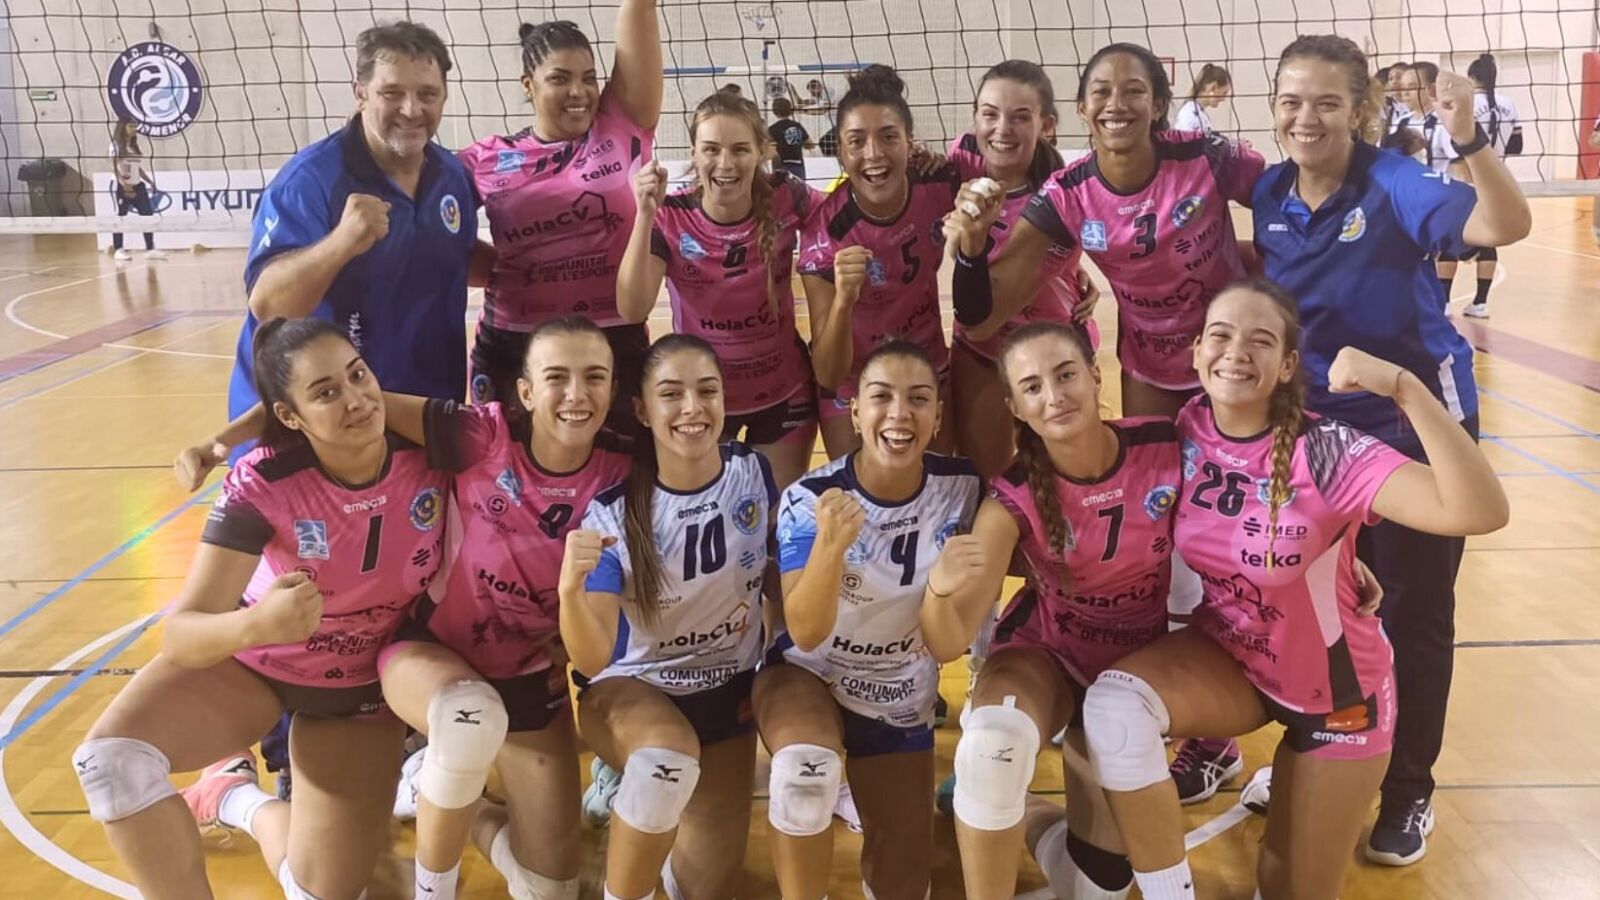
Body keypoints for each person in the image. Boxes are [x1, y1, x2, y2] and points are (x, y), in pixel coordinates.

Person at [1080, 278, 1509, 900]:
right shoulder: (1187, 428)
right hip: (1235, 662)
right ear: (1197, 352)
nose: (1236, 352)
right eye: (1221, 336)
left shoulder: (1328, 449)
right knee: (1116, 710)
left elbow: (1480, 510)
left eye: (1260, 341)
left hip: (1339, 698)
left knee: (1286, 885)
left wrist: (1404, 387)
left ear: (1286, 366)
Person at [951, 42, 1263, 798]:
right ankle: (1164, 710)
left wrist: (1278, 274)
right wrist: (970, 248)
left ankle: (1245, 723)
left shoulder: (1207, 157)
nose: (1117, 104)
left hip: (1231, 370)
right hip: (1152, 370)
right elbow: (982, 312)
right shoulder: (1069, 192)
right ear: (1083, 108)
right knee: (1169, 543)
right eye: (1100, 91)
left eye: (1133, 91)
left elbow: (1296, 199)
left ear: (1158, 103)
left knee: (1232, 536)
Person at [1251, 34, 1529, 867]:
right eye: (1291, 101)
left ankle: (1408, 789)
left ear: (1360, 109)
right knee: (1316, 606)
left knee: (1414, 616)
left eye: (1327, 102)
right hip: (1315, 437)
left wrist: (1468, 136)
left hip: (1412, 431)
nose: (1306, 118)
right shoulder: (1268, 190)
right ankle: (1325, 749)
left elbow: (1503, 224)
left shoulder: (1395, 182)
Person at [73, 318, 455, 899]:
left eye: (358, 375)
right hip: (259, 669)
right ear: (289, 417)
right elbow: (181, 633)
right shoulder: (264, 483)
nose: (355, 399)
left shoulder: (435, 454)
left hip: (360, 688)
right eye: (325, 393)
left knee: (320, 894)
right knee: (111, 764)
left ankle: (235, 799)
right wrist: (255, 624)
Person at [761, 340, 985, 900]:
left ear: (938, 416)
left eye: (919, 399)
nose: (899, 414)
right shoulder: (811, 497)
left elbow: (951, 639)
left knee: (904, 881)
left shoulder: (964, 489)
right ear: (856, 413)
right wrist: (830, 548)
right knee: (805, 772)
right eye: (881, 397)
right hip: (807, 674)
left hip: (899, 690)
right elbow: (805, 629)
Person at [559, 334, 773, 900]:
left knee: (708, 890)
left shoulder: (753, 473)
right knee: (663, 764)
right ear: (642, 410)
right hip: (633, 689)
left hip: (726, 691)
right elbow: (591, 656)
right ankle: (627, 779)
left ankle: (639, 787)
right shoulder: (613, 512)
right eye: (672, 394)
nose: (692, 408)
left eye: (707, 391)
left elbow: (775, 577)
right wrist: (570, 591)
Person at [228, 22, 480, 457]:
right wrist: (342, 242)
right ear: (360, 92)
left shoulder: (451, 174)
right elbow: (268, 304)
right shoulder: (310, 181)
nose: (411, 109)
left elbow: (454, 254)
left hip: (418, 413)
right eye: (391, 93)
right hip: (314, 425)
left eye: (427, 94)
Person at [456, 5, 662, 436]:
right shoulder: (486, 159)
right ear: (528, 85)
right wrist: (499, 266)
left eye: (588, 78)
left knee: (623, 470)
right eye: (560, 78)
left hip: (612, 336)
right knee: (503, 466)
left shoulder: (621, 123)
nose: (578, 91)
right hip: (515, 340)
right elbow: (434, 235)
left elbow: (638, 9)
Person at [618, 92, 819, 491]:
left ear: (762, 151)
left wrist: (915, 167)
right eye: (711, 149)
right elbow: (632, 308)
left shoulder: (787, 196)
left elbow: (855, 205)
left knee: (776, 518)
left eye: (740, 149)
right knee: (710, 515)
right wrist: (644, 215)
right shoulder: (671, 215)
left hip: (784, 395)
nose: (725, 164)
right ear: (693, 153)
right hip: (702, 402)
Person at [798, 64, 962, 457]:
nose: (873, 154)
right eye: (856, 141)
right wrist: (844, 300)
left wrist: (1068, 270)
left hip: (926, 366)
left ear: (910, 143)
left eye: (889, 137)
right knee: (858, 489)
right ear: (841, 151)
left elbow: (1015, 205)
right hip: (852, 382)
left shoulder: (942, 185)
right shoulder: (826, 233)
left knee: (939, 486)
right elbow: (828, 373)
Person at [944, 59, 1095, 477]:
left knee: (1064, 477)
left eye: (1020, 117)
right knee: (986, 479)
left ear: (1046, 125)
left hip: (1048, 351)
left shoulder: (1061, 194)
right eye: (990, 114)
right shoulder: (961, 158)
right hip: (980, 355)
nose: (1002, 129)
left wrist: (1077, 275)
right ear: (975, 115)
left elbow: (987, 311)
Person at [1442, 53, 1522, 319]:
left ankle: (1444, 301)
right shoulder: (1508, 104)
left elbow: (1454, 144)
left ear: (1471, 77)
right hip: (1493, 179)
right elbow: (1517, 145)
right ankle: (1480, 302)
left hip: (1464, 176)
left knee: (1449, 236)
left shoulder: (1466, 104)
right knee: (1488, 239)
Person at [108, 118, 167, 262]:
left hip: (138, 185)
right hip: (122, 186)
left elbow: (137, 168)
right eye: (131, 126)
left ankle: (150, 249)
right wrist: (125, 185)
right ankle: (118, 249)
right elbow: (113, 167)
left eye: (135, 126)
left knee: (147, 215)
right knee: (120, 217)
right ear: (123, 128)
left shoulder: (133, 147)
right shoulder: (116, 146)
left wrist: (149, 181)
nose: (134, 129)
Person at [1172, 64, 1231, 135]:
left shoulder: (1198, 111)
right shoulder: (1190, 113)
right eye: (1224, 93)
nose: (1223, 99)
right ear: (1213, 87)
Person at [768, 97, 814, 183]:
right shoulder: (797, 126)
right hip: (798, 163)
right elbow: (810, 144)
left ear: (774, 112)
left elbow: (770, 150)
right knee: (799, 188)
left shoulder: (772, 129)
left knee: (782, 189)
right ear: (790, 110)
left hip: (781, 165)